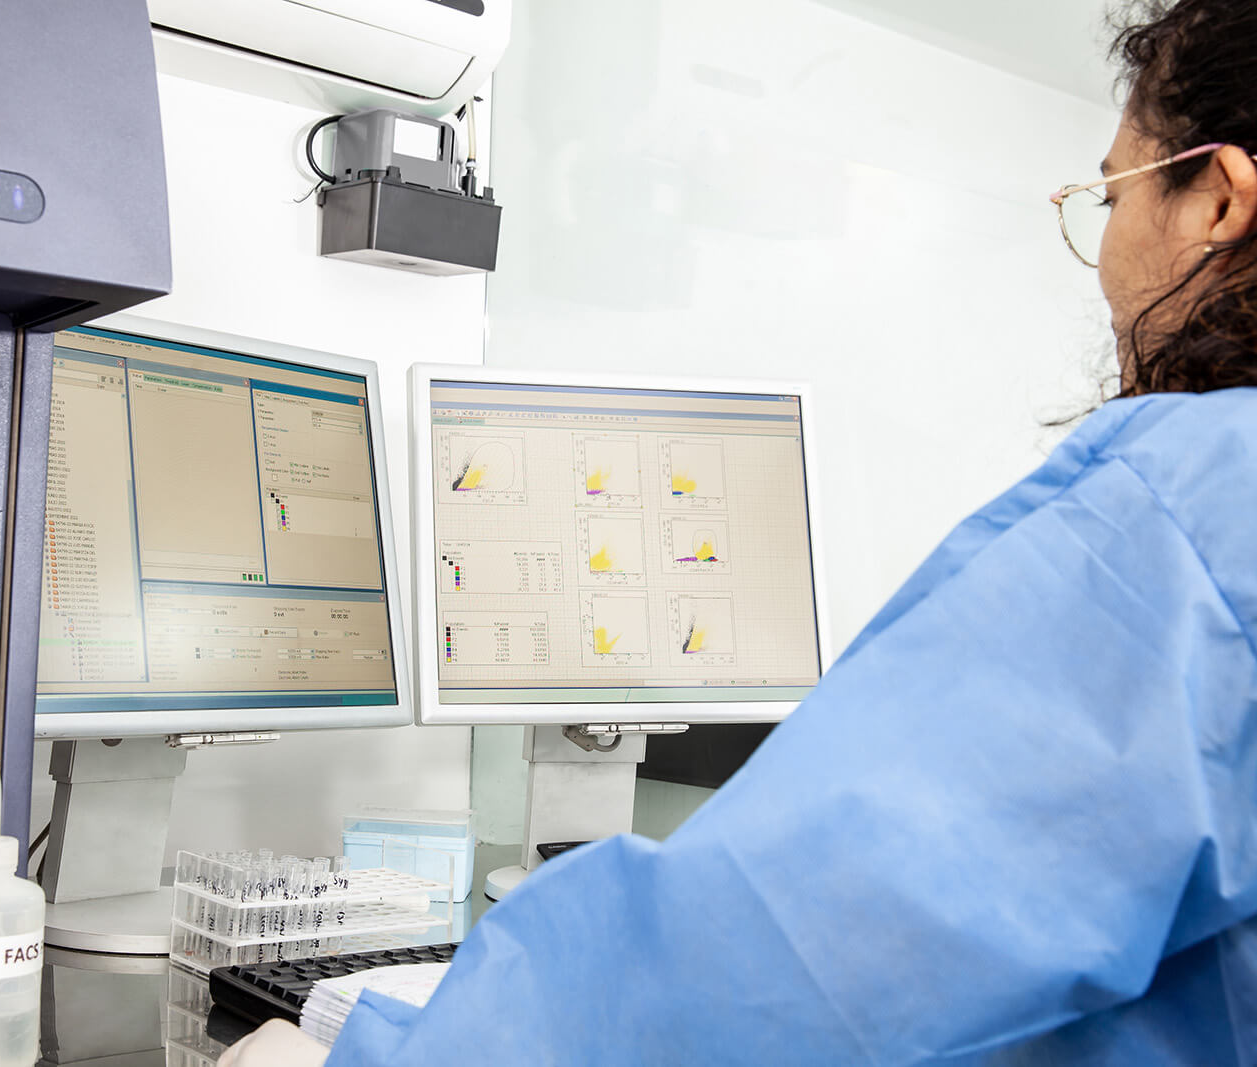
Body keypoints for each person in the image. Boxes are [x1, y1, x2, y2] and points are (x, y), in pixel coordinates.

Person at [221, 0, 1257, 1062]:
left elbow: (774, 968)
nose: (1104, 256)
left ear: (1217, 199)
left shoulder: (1185, 509)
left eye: (1113, 194)